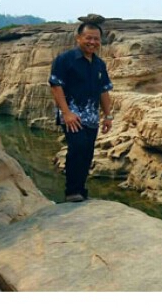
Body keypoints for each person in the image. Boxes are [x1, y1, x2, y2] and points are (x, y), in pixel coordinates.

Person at [48, 17, 113, 202]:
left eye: (96, 39)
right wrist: (66, 113)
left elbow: (104, 91)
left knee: (87, 152)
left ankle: (80, 189)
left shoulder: (99, 64)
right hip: (72, 115)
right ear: (78, 38)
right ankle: (72, 192)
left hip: (91, 117)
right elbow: (56, 86)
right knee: (77, 148)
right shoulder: (65, 59)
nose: (92, 42)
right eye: (88, 38)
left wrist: (108, 116)